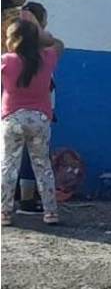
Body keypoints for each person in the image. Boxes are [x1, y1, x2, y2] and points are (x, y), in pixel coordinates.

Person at [2, 20, 64, 226]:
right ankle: (51, 212)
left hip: (12, 118)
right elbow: (59, 44)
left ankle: (4, 213)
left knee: (8, 166)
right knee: (42, 165)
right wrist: (43, 35)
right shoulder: (46, 58)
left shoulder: (6, 61)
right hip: (40, 118)